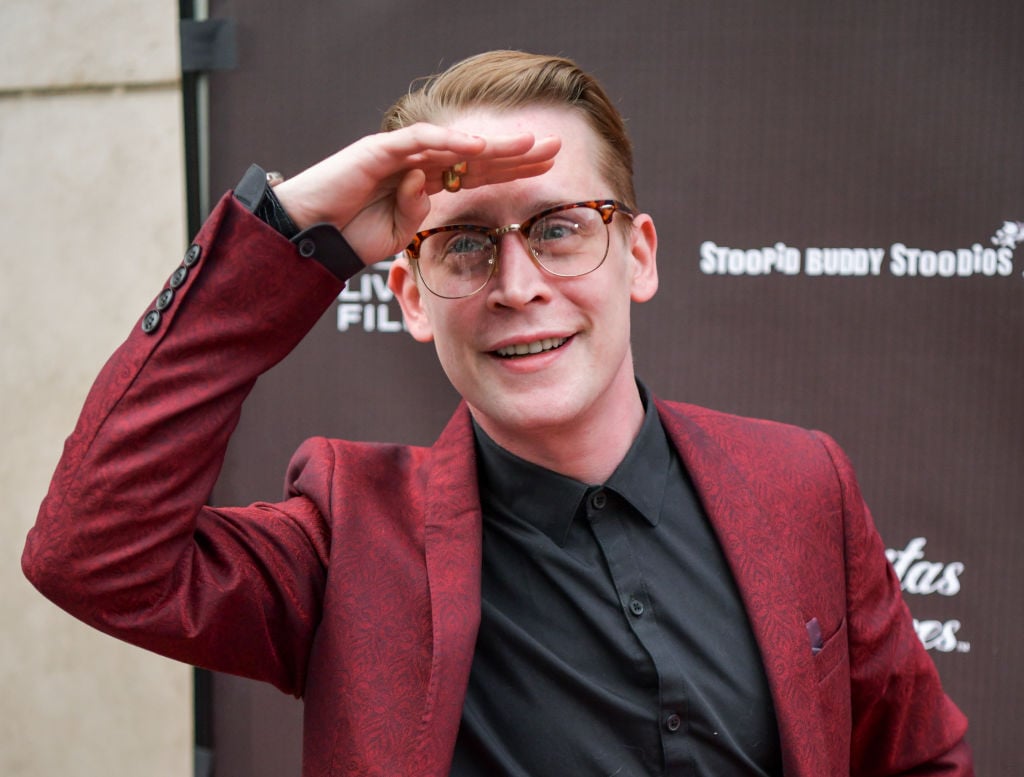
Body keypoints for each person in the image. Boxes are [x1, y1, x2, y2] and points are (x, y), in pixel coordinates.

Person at [23, 50, 972, 776]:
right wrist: (283, 231)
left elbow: (920, 759)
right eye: (467, 245)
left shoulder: (800, 484)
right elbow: (90, 553)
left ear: (639, 256)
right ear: (410, 295)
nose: (517, 286)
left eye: (560, 229)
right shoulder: (349, 537)